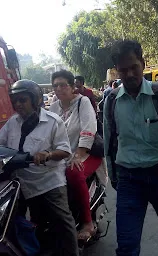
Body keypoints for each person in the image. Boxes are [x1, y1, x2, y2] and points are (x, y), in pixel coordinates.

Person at [103, 40, 158, 256]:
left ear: (143, 64)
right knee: (126, 246)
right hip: (129, 180)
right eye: (123, 70)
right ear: (117, 71)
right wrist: (114, 177)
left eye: (134, 67)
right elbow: (109, 143)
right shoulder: (112, 101)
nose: (130, 74)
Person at [0, 80, 79, 256]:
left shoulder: (52, 121)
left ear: (35, 100)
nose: (18, 105)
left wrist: (47, 154)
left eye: (23, 100)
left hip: (48, 181)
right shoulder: (13, 122)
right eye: (15, 101)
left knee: (63, 221)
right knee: (16, 221)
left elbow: (65, 150)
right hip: (20, 182)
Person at [49, 70, 106, 240]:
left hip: (87, 153)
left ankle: (87, 222)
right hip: (61, 155)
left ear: (73, 86)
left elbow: (89, 129)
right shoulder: (53, 107)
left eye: (63, 85)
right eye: (55, 86)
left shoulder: (83, 102)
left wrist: (77, 155)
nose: (59, 89)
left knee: (73, 172)